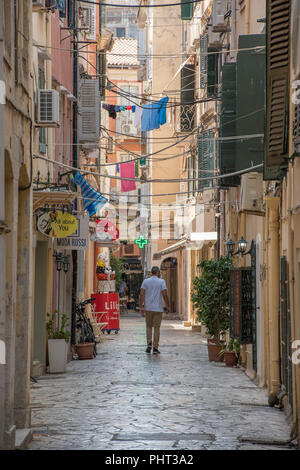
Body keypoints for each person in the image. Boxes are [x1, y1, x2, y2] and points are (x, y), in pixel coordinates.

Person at [139, 266, 170, 354]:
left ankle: (149, 344)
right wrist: (168, 306)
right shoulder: (161, 281)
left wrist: (141, 306)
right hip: (158, 308)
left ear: (151, 272)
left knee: (148, 326)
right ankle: (155, 348)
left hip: (148, 308)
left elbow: (141, 294)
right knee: (157, 328)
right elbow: (165, 294)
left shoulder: (146, 281)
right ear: (158, 272)